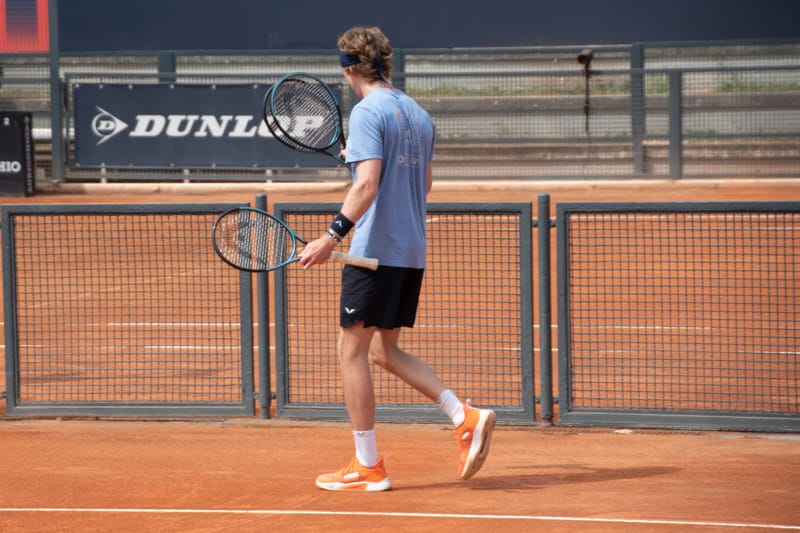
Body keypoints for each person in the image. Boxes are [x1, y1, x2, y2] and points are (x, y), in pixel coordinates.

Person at [298, 26, 496, 492]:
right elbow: (421, 185)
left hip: (374, 253)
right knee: (384, 350)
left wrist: (331, 236)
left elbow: (366, 186)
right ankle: (463, 415)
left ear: (349, 70)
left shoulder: (367, 111)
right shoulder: (418, 114)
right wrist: (361, 159)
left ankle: (368, 465)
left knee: (351, 352)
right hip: (409, 252)